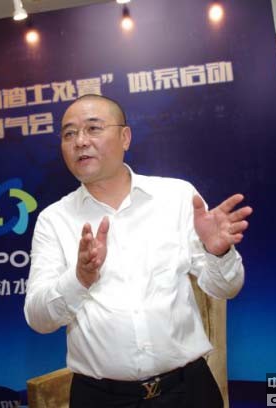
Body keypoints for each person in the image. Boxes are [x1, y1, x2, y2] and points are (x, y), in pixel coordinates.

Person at [24, 94, 252, 408]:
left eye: (93, 128)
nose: (80, 141)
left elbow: (227, 288)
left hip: (188, 391)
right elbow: (38, 318)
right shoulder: (54, 220)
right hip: (100, 399)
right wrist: (79, 278)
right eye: (69, 133)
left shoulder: (176, 197)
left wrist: (218, 253)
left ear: (125, 137)